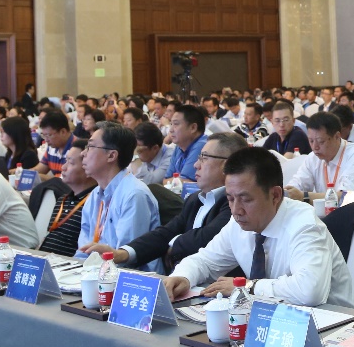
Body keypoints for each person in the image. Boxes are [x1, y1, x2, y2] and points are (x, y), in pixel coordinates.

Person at [162, 146, 354, 306]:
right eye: (230, 199)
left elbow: (309, 291)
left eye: (245, 199)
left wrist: (247, 287)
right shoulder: (238, 223)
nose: (236, 210)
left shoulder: (304, 225)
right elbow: (205, 260)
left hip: (333, 325)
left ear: (275, 195)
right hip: (273, 320)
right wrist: (183, 277)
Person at [92, 132, 242, 272]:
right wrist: (122, 253)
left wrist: (173, 243)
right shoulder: (195, 199)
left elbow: (206, 238)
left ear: (227, 165)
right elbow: (166, 232)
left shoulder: (236, 204)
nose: (196, 165)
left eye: (204, 158)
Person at [74, 122, 160, 263]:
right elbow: (83, 251)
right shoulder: (95, 195)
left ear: (111, 156)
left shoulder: (134, 195)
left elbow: (126, 259)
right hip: (95, 269)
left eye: (90, 147)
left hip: (126, 274)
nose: (83, 153)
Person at [284, 112, 354, 201]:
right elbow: (298, 183)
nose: (315, 147)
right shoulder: (313, 158)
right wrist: (288, 192)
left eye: (321, 141)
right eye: (311, 141)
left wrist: (304, 196)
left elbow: (346, 197)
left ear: (337, 136)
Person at [36, 140, 96, 257]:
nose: (63, 167)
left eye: (71, 163)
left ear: (88, 168)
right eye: (65, 161)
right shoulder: (63, 199)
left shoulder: (94, 203)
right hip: (45, 259)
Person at [164, 104, 207, 179]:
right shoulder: (179, 146)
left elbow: (185, 181)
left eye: (176, 124)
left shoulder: (202, 146)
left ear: (193, 128)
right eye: (171, 124)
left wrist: (176, 180)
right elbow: (166, 179)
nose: (171, 130)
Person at [37, 109, 74, 176]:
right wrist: (22, 173)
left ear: (63, 132)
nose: (46, 140)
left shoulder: (77, 149)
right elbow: (40, 169)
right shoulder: (52, 147)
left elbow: (69, 179)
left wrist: (42, 177)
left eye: (49, 135)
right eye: (44, 135)